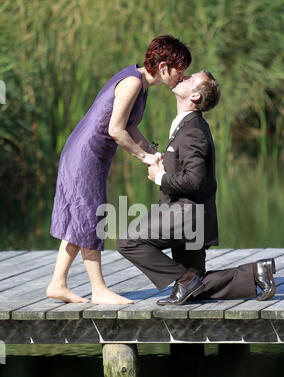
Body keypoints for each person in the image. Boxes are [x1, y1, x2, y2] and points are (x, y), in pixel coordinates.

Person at [47, 35, 192, 305]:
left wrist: (150, 150)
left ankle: (58, 283)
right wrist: (143, 158)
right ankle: (99, 289)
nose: (181, 77)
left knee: (82, 217)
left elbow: (130, 125)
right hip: (84, 156)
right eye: (179, 71)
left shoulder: (141, 84)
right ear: (163, 67)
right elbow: (116, 130)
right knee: (92, 218)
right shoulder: (132, 83)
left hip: (87, 155)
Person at [117, 71, 277, 305]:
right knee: (195, 289)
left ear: (194, 97)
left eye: (190, 79)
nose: (183, 77)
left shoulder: (193, 130)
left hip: (187, 217)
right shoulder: (187, 126)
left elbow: (195, 181)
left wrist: (161, 177)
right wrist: (165, 165)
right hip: (189, 217)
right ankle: (256, 272)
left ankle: (185, 279)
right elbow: (189, 173)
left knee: (128, 241)